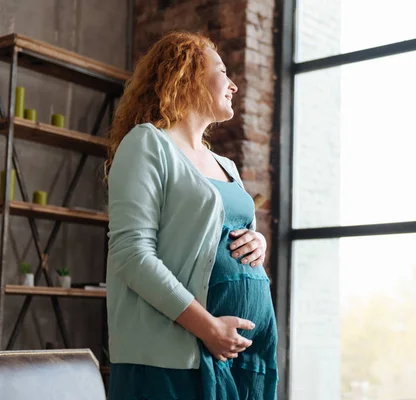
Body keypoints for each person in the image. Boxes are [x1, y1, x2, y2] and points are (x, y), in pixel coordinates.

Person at [104, 30, 278, 399]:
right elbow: (132, 254)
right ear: (185, 73)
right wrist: (209, 328)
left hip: (237, 357)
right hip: (172, 359)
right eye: (221, 70)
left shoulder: (224, 164)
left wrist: (256, 242)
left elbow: (221, 232)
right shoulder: (148, 142)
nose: (233, 85)